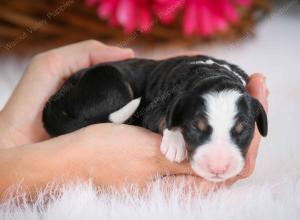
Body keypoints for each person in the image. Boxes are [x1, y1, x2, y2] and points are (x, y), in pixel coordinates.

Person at [0, 40, 269, 199]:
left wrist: (12, 137)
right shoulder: (175, 98)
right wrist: (170, 130)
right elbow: (154, 113)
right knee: (116, 92)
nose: (219, 164)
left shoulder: (237, 90)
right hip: (95, 89)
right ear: (177, 111)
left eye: (240, 131)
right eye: (198, 129)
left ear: (258, 118)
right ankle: (96, 119)